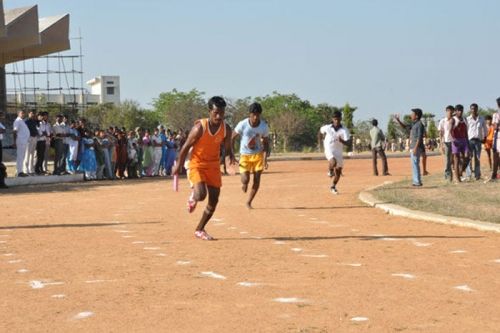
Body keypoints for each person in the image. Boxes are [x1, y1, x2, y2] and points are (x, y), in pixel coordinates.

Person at [172, 96, 236, 241]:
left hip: (213, 165)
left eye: (222, 113)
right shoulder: (200, 127)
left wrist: (231, 154)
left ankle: (200, 229)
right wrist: (178, 165)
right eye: (216, 113)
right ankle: (193, 197)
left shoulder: (226, 129)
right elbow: (186, 146)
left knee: (214, 201)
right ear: (209, 112)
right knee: (201, 194)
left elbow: (227, 146)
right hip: (197, 164)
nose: (219, 116)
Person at [231, 102, 270, 208]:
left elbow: (266, 143)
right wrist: (232, 154)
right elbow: (232, 137)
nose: (255, 117)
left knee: (257, 179)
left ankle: (249, 201)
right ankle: (244, 183)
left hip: (258, 155)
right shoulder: (242, 124)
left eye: (258, 114)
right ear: (250, 114)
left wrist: (265, 159)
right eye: (253, 114)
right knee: (245, 179)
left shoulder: (263, 126)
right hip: (244, 155)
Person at [318, 110, 351, 194]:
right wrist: (321, 141)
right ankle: (330, 171)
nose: (337, 121)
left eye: (338, 119)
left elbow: (348, 143)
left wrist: (342, 141)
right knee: (333, 161)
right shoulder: (327, 127)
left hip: (338, 152)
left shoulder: (344, 130)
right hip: (329, 149)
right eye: (335, 119)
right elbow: (320, 131)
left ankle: (333, 186)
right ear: (332, 119)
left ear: (341, 119)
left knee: (339, 172)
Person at [394, 109, 425, 186]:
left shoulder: (419, 124)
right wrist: (398, 120)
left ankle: (417, 181)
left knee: (415, 163)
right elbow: (405, 127)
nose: (411, 115)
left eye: (412, 114)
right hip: (413, 146)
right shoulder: (414, 124)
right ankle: (416, 181)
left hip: (416, 147)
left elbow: (419, 137)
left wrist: (415, 148)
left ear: (417, 116)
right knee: (414, 164)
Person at [465, 103, 487, 180]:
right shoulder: (467, 119)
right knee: (469, 158)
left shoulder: (481, 118)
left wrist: (485, 137)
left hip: (478, 141)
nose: (473, 110)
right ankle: (469, 175)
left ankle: (477, 175)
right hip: (470, 141)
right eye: (472, 109)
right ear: (470, 110)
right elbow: (465, 130)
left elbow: (485, 129)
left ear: (477, 109)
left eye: (475, 108)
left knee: (477, 158)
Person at [450, 104, 469, 183]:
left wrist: (467, 141)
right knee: (457, 160)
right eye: (458, 110)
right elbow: (450, 131)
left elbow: (465, 131)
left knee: (467, 157)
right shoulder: (453, 120)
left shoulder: (464, 119)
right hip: (456, 141)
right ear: (455, 111)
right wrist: (453, 140)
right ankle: (457, 179)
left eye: (461, 110)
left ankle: (460, 172)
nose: (460, 112)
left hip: (464, 140)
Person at [485, 97, 500, 183]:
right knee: (495, 156)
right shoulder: (495, 114)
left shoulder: (495, 115)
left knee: (495, 156)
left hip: (497, 137)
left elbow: (495, 127)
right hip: (496, 137)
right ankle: (494, 174)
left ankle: (494, 175)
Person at [438, 105, 454, 181]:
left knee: (454, 159)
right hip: (446, 142)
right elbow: (441, 133)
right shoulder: (442, 121)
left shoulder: (454, 120)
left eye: (451, 112)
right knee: (447, 159)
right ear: (446, 111)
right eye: (448, 111)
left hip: (454, 142)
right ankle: (447, 175)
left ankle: (456, 173)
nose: (450, 113)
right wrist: (441, 144)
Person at [13, 110, 30, 177]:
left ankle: (20, 171)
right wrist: (14, 142)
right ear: (18, 114)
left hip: (24, 141)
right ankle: (19, 172)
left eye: (24, 113)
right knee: (20, 157)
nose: (23, 114)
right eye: (21, 113)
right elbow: (14, 131)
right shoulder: (17, 121)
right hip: (20, 141)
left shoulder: (21, 121)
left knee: (22, 157)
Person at [24, 110, 38, 175]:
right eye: (31, 113)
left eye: (34, 113)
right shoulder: (26, 121)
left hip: (34, 138)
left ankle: (31, 169)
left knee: (32, 154)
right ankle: (25, 170)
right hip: (29, 138)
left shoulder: (34, 121)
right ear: (29, 113)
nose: (33, 115)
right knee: (27, 154)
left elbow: (36, 129)